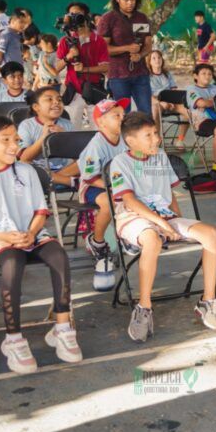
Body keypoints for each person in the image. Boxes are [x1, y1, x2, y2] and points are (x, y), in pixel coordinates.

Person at [0, 115, 82, 373]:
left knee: (58, 254)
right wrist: (5, 237)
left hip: (31, 233)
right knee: (12, 260)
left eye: (16, 139)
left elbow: (39, 210)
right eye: (5, 140)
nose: (14, 145)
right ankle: (13, 338)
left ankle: (62, 327)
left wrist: (31, 231)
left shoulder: (26, 171)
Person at [111, 112, 216, 341]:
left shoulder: (160, 156)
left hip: (165, 216)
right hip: (133, 218)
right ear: (131, 141)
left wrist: (177, 222)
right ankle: (144, 308)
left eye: (156, 133)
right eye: (148, 136)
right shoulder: (120, 162)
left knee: (211, 233)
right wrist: (163, 224)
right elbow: (130, 201)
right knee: (152, 239)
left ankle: (207, 301)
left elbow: (170, 193)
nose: (156, 139)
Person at [78, 99, 129, 292]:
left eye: (123, 115)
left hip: (118, 185)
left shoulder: (125, 139)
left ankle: (128, 236)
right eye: (116, 116)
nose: (122, 119)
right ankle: (98, 241)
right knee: (108, 203)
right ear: (101, 122)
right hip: (95, 186)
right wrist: (114, 188)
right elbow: (90, 176)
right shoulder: (97, 144)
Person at [100, 0, 153, 113]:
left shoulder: (141, 18)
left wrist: (140, 55)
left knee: (146, 112)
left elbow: (148, 44)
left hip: (141, 73)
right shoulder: (108, 18)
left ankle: (146, 133)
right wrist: (127, 48)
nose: (130, 3)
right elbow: (103, 49)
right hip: (118, 75)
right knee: (123, 114)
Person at [57, 4, 110, 126]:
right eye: (71, 15)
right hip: (73, 91)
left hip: (94, 90)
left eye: (77, 14)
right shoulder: (66, 40)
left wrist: (85, 69)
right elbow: (56, 69)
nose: (74, 17)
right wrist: (68, 57)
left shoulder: (99, 40)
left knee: (99, 130)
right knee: (70, 130)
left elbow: (106, 67)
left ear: (86, 16)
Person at [17, 87, 75, 186]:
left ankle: (54, 179)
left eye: (59, 99)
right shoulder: (26, 125)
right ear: (36, 107)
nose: (56, 102)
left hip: (64, 170)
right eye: (49, 99)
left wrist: (65, 137)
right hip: (37, 170)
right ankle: (69, 181)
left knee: (87, 161)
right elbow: (23, 158)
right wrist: (44, 137)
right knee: (24, 167)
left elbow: (77, 156)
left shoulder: (67, 124)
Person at [185, 64, 216, 171]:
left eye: (209, 74)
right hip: (203, 121)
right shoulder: (192, 90)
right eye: (203, 74)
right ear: (195, 76)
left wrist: (210, 102)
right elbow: (201, 103)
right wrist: (215, 101)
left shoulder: (215, 88)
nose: (207, 76)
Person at [147, 50, 188, 140]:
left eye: (159, 57)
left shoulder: (167, 74)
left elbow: (174, 89)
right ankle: (157, 140)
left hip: (171, 101)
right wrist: (161, 103)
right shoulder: (146, 76)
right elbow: (147, 95)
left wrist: (172, 101)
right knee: (154, 109)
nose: (157, 60)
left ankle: (180, 139)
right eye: (153, 58)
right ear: (149, 62)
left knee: (188, 110)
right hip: (156, 102)